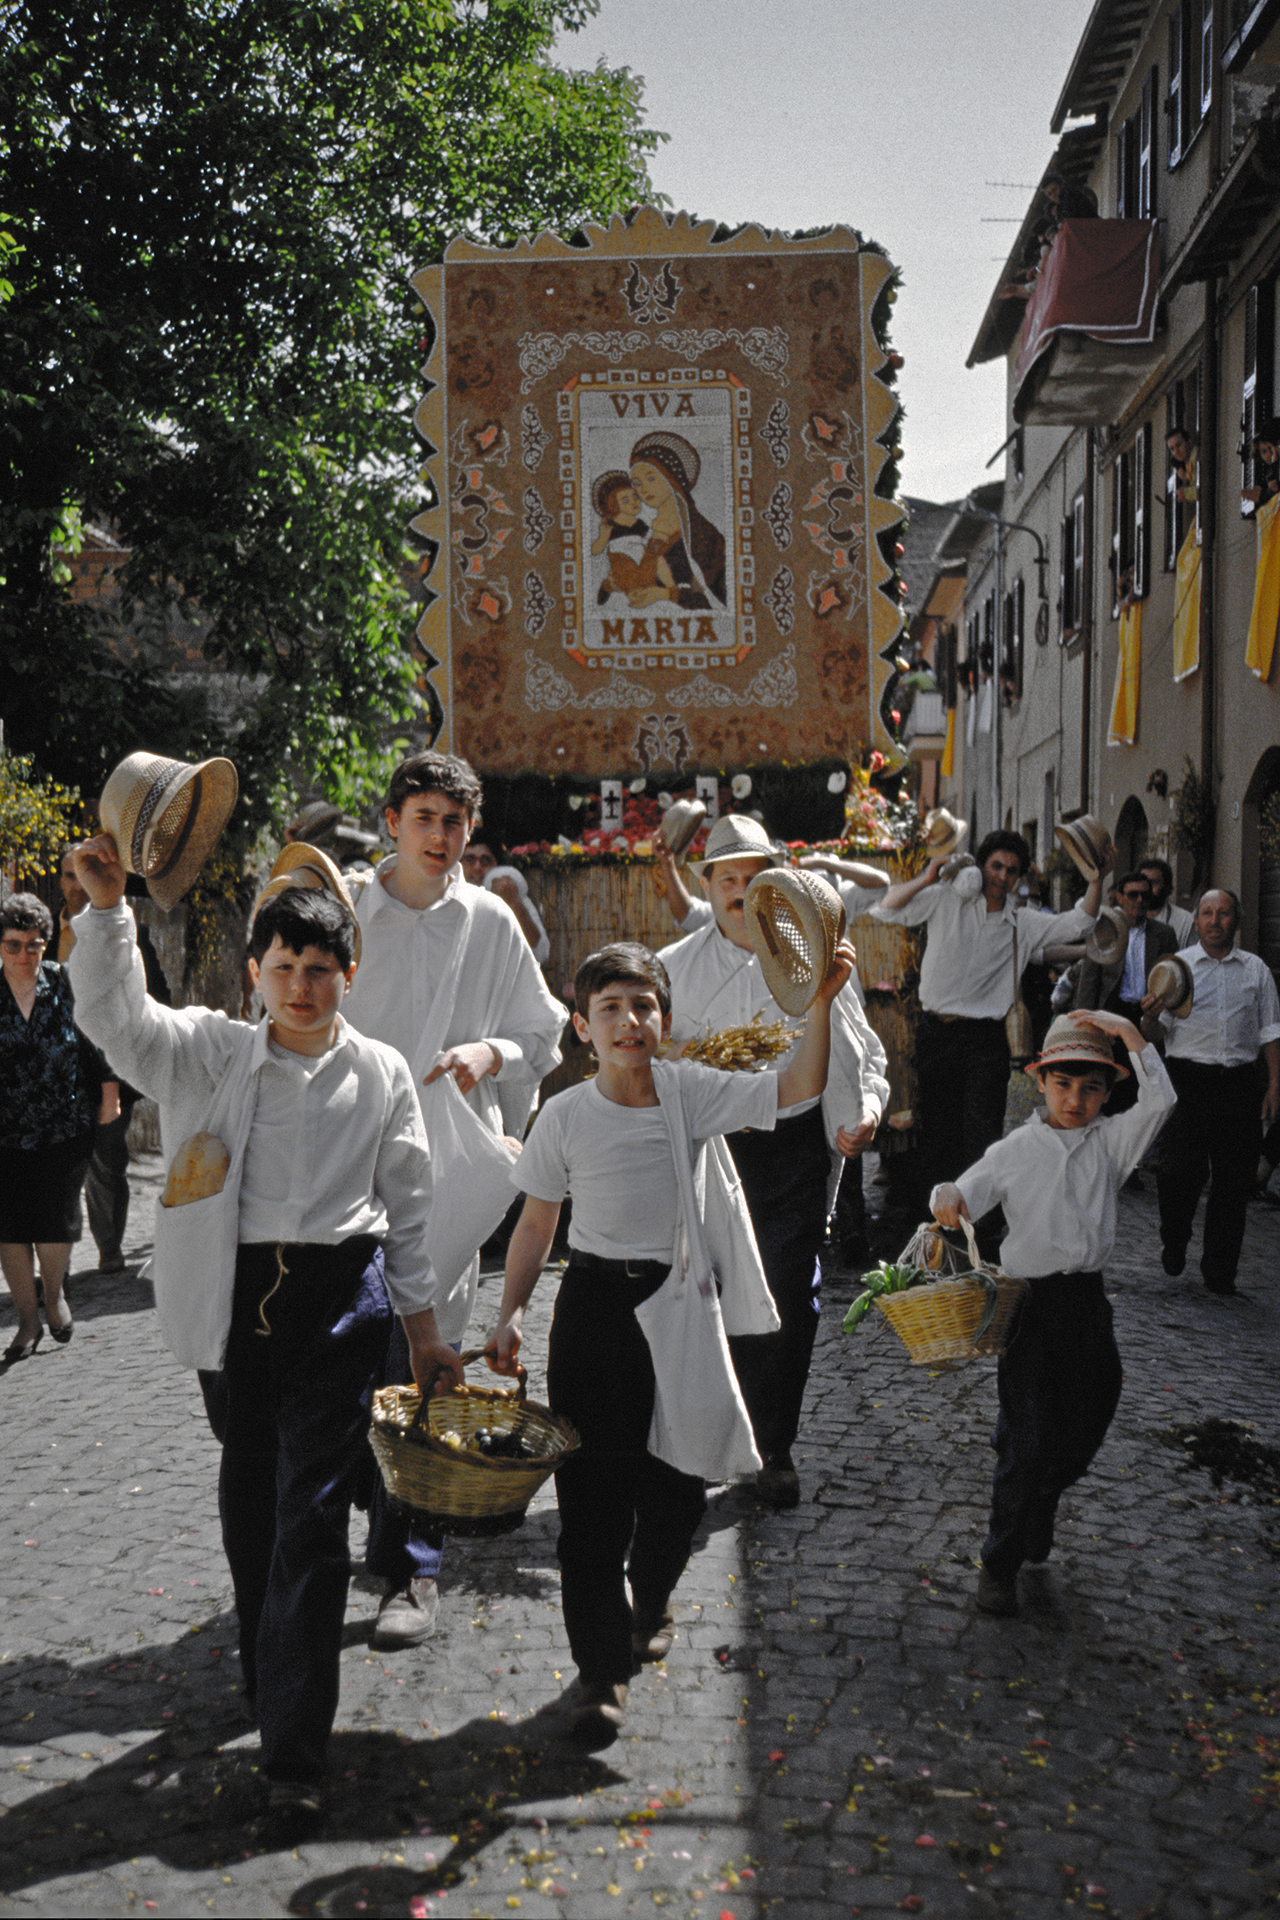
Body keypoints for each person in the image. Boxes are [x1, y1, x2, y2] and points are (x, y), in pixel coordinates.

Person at [67, 839, 461, 1824]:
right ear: (254, 973)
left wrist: (423, 1338)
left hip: (339, 1308)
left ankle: (293, 1753)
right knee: (250, 1507)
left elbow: (408, 1212)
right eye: (281, 968)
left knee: (313, 1522)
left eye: (317, 971)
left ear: (347, 976)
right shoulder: (212, 1051)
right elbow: (117, 1021)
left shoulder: (379, 1075)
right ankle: (270, 1670)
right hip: (235, 1311)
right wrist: (109, 912)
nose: (299, 987)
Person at [487, 936, 851, 1748]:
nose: (628, 1021)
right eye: (609, 1008)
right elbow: (538, 1224)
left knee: (677, 1493)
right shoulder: (564, 1115)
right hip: (590, 1315)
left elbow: (799, 1087)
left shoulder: (690, 1092)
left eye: (643, 1005)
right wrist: (509, 1313)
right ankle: (599, 1677)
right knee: (589, 1501)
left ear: (665, 1019)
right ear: (583, 1027)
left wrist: (822, 1000)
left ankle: (648, 1600)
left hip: (681, 1309)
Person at [341, 751, 566, 1648]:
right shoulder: (347, 908)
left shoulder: (489, 920)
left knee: (424, 1360)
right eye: (426, 817)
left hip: (443, 1167)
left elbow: (540, 1026)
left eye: (457, 822)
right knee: (347, 1360)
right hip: (341, 1160)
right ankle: (368, 1506)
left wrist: (492, 1056)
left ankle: (409, 1569)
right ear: (393, 818)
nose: (442, 837)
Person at [661, 814, 889, 1508]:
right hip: (710, 1148)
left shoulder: (811, 959)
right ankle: (705, 1442)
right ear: (707, 886)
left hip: (790, 1149)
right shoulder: (673, 970)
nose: (740, 889)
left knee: (790, 1296)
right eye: (726, 877)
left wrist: (867, 1111)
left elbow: (864, 1053)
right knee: (706, 1295)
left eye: (753, 876)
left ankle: (773, 1447)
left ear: (773, 883)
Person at [932, 1009, 1175, 1616]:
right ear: (1040, 1082)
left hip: (1086, 1303)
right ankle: (1000, 1561)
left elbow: (1163, 1098)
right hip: (1029, 1306)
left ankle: (1037, 1496)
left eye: (1091, 1088)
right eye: (1063, 1085)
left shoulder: (1113, 1143)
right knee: (1032, 1432)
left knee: (1092, 1413)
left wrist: (1126, 1032)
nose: (1076, 1099)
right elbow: (965, 1192)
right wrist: (947, 1201)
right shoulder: (1017, 1149)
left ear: (1107, 1092)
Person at [873, 830, 1106, 1217]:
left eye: (1012, 871)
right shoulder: (946, 900)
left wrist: (1098, 879)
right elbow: (885, 908)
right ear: (981, 867)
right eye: (996, 866)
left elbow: (1080, 922)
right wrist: (928, 877)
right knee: (936, 1132)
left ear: (1020, 877)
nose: (1002, 876)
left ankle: (978, 1221)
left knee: (980, 1133)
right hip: (936, 1033)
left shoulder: (1024, 923)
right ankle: (935, 1221)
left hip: (985, 1041)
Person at [1, 893, 116, 1362]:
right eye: (13, 945)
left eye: (34, 944)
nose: (24, 955)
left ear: (46, 945)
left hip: (65, 1123)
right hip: (4, 1130)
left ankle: (54, 1296)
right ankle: (26, 1322)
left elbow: (97, 1038)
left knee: (56, 1220)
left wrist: (109, 1092)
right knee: (9, 1227)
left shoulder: (67, 984)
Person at [1150, 889, 1280, 1296]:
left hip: (1239, 1084)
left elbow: (1270, 1031)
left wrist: (1275, 1083)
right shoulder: (1176, 969)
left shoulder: (1256, 970)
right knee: (1178, 1174)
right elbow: (1154, 1035)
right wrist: (1148, 1015)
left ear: (1236, 921)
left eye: (1223, 913)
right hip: (1187, 1081)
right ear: (1197, 920)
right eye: (1207, 913)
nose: (1215, 920)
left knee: (1234, 1181)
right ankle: (1174, 1238)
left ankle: (1220, 1270)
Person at [57, 845, 172, 1271]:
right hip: (56, 1075)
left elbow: (155, 999)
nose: (76, 885)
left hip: (109, 1072)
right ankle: (58, 1261)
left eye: (80, 876)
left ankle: (108, 1248)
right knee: (57, 1170)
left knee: (107, 1164)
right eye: (68, 876)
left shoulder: (130, 934)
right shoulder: (41, 935)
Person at [1072, 870, 1178, 1114]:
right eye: (1132, 895)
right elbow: (1089, 982)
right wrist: (1084, 1023)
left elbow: (1172, 977)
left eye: (1144, 894)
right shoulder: (1103, 931)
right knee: (1111, 1085)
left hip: (1147, 1015)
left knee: (1146, 1084)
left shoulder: (1163, 934)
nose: (1139, 900)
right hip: (1113, 1015)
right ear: (1119, 897)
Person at [624, 432, 727, 611]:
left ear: (670, 477)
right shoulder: (650, 531)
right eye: (637, 483)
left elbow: (715, 600)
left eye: (651, 478)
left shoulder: (700, 532)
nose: (643, 488)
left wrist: (666, 595)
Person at [460, 835, 550, 963]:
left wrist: (513, 903)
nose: (477, 868)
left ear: (496, 866)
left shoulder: (513, 894)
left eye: (485, 861)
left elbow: (541, 952)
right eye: (469, 860)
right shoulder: (445, 896)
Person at [1138, 855, 1194, 948]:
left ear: (1166, 885)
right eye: (1143, 883)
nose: (1148, 888)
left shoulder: (1185, 920)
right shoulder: (1128, 917)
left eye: (1154, 883)